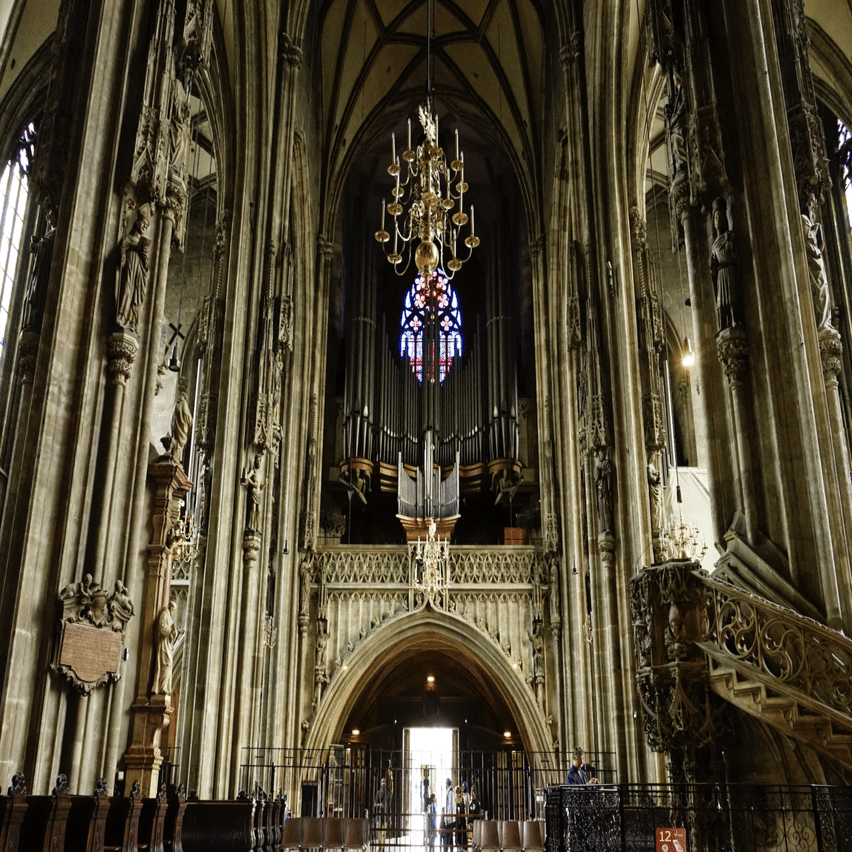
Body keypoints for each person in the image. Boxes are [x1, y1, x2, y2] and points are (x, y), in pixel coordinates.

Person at [116, 213, 151, 332]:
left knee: (134, 293)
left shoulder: (144, 242)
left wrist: (145, 255)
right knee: (127, 288)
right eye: (142, 223)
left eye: (146, 226)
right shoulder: (129, 238)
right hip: (130, 264)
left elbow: (146, 267)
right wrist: (123, 255)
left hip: (138, 270)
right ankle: (121, 316)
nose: (144, 227)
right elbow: (121, 250)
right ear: (137, 223)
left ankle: (131, 320)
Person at [374, 777, 391, 848]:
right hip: (379, 815)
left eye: (384, 782)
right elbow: (374, 804)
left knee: (384, 833)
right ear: (381, 783)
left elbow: (389, 805)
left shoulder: (388, 794)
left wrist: (390, 815)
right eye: (382, 782)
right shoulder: (378, 793)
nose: (383, 783)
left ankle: (382, 847)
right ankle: (379, 846)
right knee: (379, 832)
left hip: (385, 815)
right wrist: (379, 805)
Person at [442, 778, 455, 852]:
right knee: (449, 834)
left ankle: (446, 850)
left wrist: (447, 818)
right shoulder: (451, 791)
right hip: (450, 818)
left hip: (449, 818)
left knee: (448, 834)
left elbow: (449, 806)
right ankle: (450, 849)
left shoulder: (450, 792)